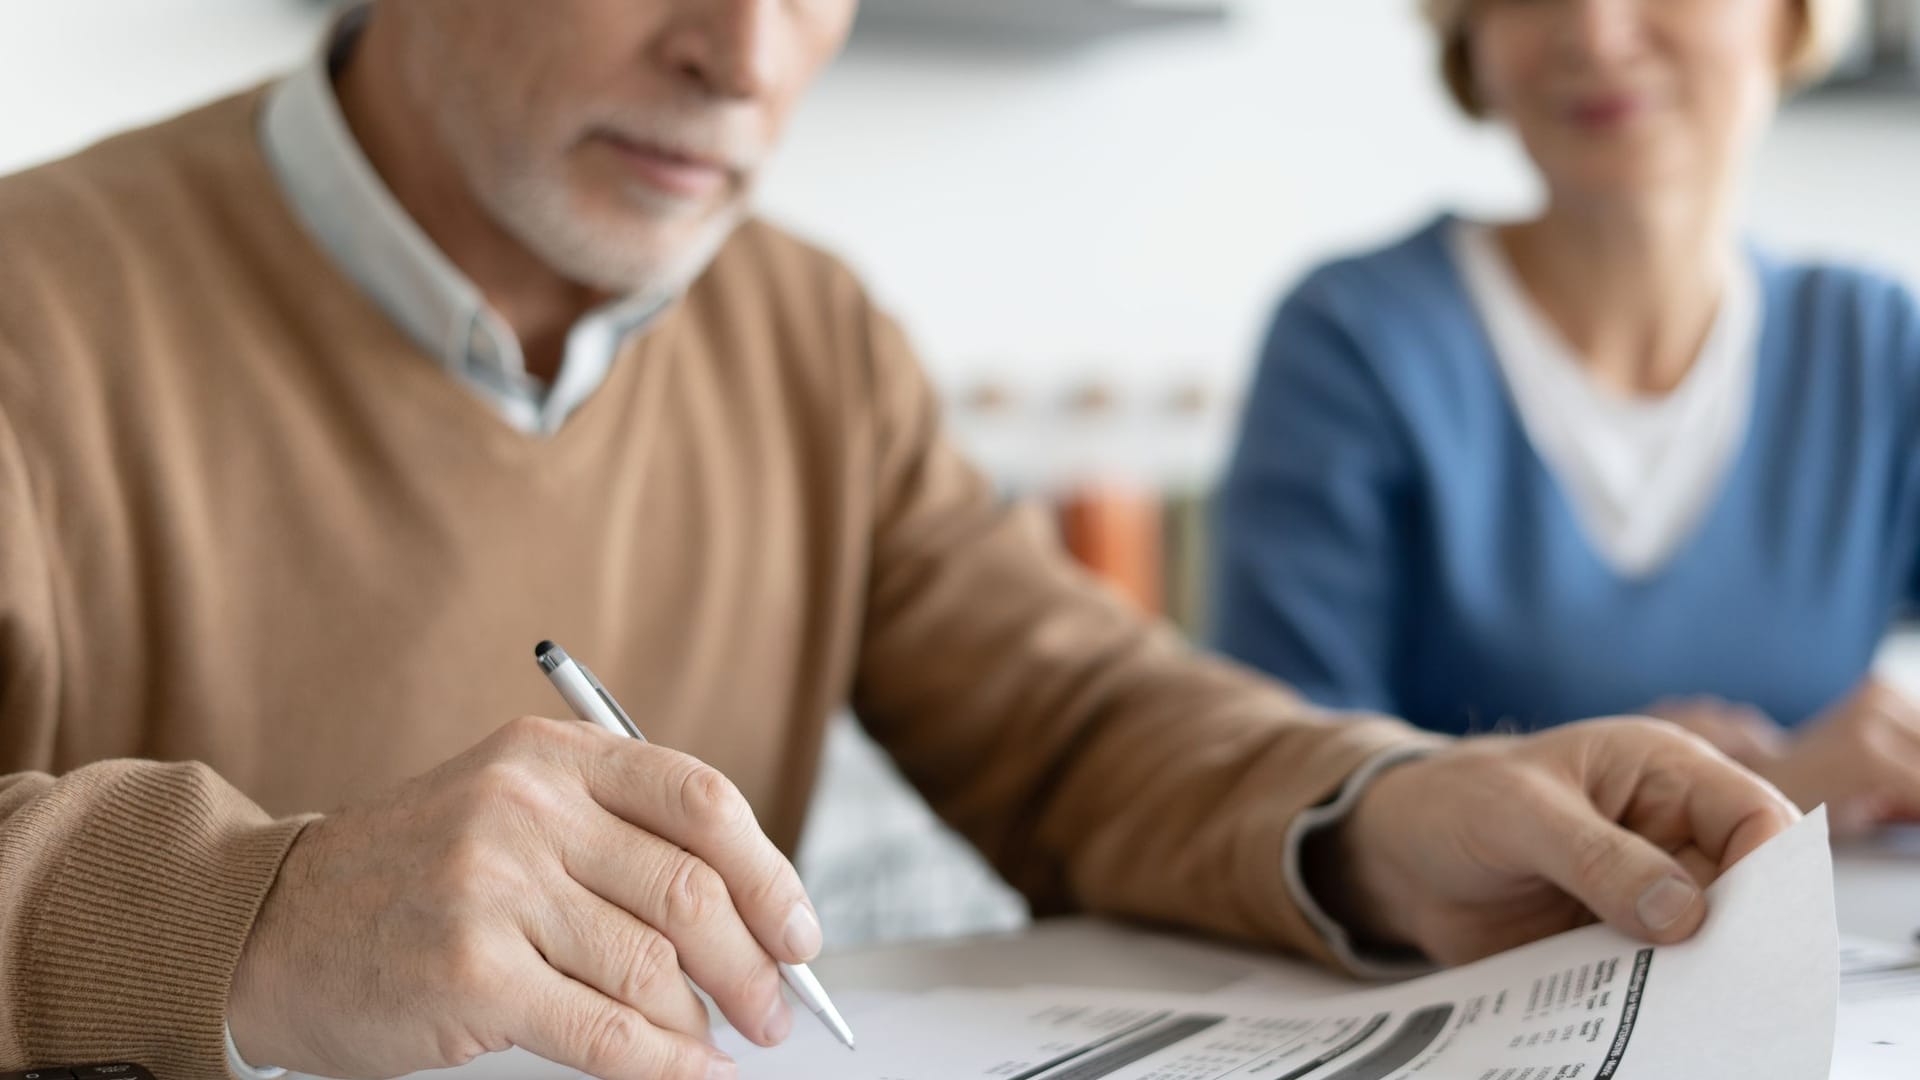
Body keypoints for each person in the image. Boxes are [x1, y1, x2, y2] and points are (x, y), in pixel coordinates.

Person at [0, 3, 1795, 1079]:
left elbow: (1076, 717)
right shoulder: (37, 311)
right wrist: (256, 915)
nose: (751, 56)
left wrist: (1384, 813)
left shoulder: (809, 334)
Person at [1214, 0, 1919, 836]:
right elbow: (1279, 789)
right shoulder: (1354, 341)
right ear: (1468, 37)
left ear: (1790, 19)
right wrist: (1748, 796)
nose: (1596, 32)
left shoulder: (1872, 345)